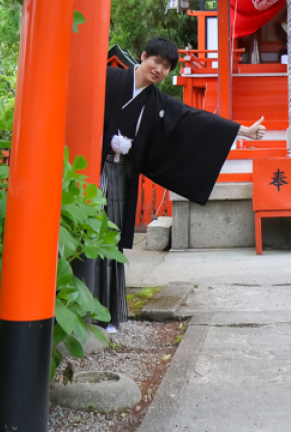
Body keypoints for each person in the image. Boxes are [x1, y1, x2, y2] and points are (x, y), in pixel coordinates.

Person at [96, 36, 266, 330]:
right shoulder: (108, 78)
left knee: (111, 242)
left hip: (120, 175)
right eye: (156, 61)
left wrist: (244, 131)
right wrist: (104, 140)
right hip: (91, 170)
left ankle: (107, 315)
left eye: (166, 67)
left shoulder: (157, 102)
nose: (159, 69)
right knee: (84, 236)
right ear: (143, 55)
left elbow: (195, 119)